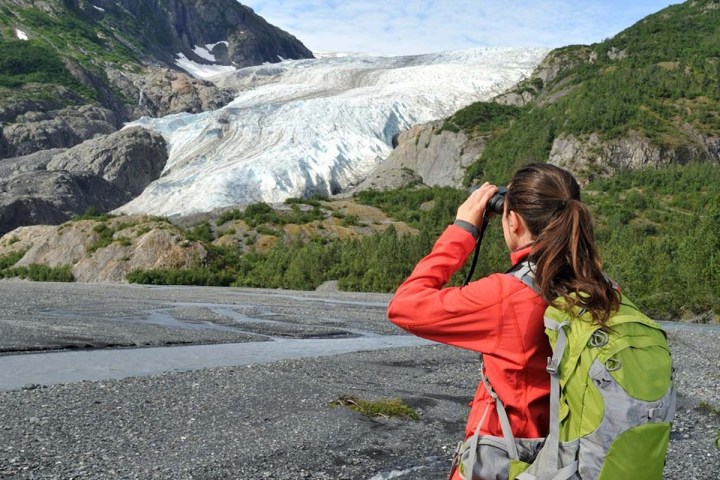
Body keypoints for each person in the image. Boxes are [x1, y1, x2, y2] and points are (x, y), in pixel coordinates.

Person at [387, 162, 620, 479]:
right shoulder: (603, 289)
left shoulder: (507, 295)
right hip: (570, 460)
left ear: (513, 222)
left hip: (505, 460)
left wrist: (462, 232)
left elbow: (404, 306)